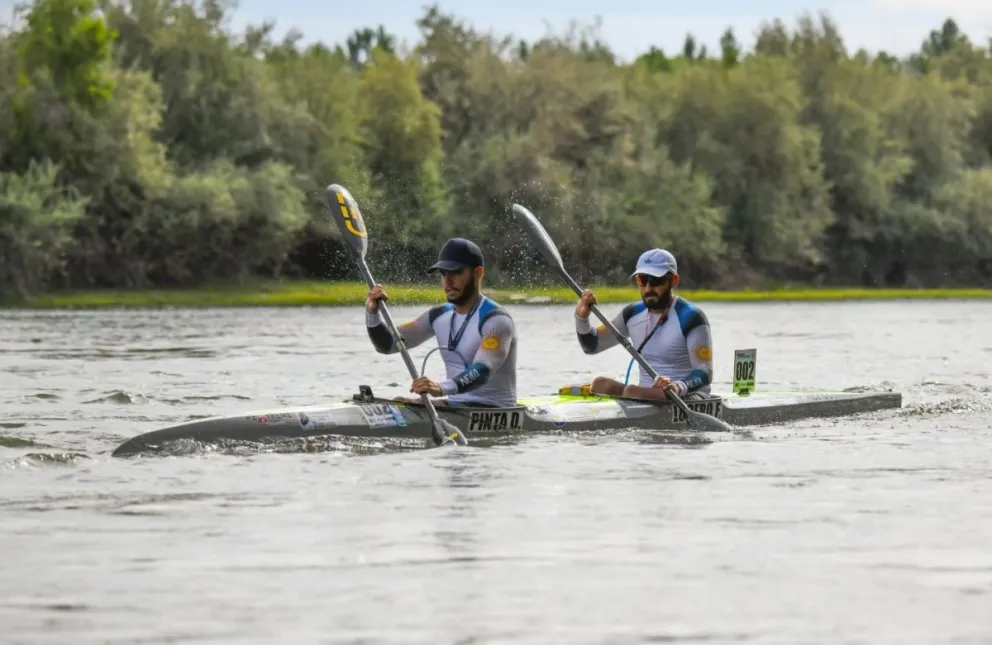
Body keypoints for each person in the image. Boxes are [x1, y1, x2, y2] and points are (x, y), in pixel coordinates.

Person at [365, 238, 518, 408]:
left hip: (495, 409)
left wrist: (440, 387)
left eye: (456, 272)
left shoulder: (496, 320)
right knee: (401, 403)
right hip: (454, 405)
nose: (448, 281)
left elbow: (482, 371)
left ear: (478, 273)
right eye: (443, 274)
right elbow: (386, 345)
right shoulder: (438, 315)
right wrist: (372, 313)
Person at [574, 248, 713, 402]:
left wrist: (677, 387)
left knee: (632, 391)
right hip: (644, 394)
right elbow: (591, 346)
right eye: (642, 280)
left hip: (686, 396)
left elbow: (705, 371)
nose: (648, 288)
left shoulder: (691, 316)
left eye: (656, 281)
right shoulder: (631, 314)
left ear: (673, 281)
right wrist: (581, 318)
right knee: (600, 384)